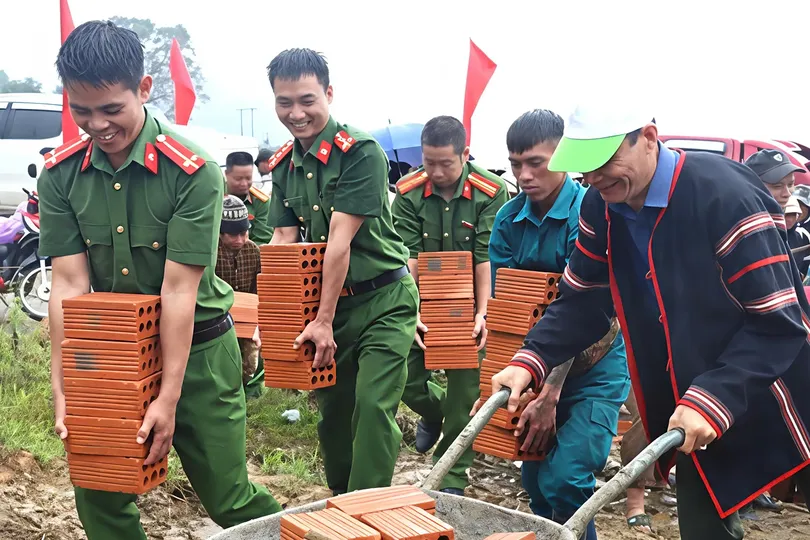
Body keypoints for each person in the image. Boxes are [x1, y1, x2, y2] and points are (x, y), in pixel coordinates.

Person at [486, 101, 810, 540]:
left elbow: (778, 322)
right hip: (692, 393)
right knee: (704, 516)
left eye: (606, 162)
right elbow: (582, 300)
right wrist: (532, 358)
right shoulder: (602, 208)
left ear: (649, 139)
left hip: (764, 378)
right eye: (586, 168)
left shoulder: (722, 197)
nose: (596, 178)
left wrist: (713, 396)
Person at [38, 21, 282, 540]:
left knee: (228, 498)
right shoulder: (60, 176)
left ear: (144, 89)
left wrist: (167, 398)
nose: (97, 126)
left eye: (111, 109)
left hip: (197, 353)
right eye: (81, 111)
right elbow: (68, 284)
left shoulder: (191, 172)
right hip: (108, 352)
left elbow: (178, 291)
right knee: (100, 491)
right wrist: (65, 383)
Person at [264, 48, 418, 494]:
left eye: (307, 100)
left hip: (384, 301)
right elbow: (283, 243)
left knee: (371, 407)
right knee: (333, 414)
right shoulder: (283, 165)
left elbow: (338, 243)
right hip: (328, 309)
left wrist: (323, 319)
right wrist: (278, 320)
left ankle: (367, 510)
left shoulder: (360, 152)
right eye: (284, 102)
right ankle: (341, 503)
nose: (296, 113)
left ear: (329, 94)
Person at [484, 109, 629, 539]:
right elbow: (510, 311)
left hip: (594, 369)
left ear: (563, 157)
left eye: (536, 162)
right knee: (536, 485)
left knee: (566, 481)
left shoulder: (591, 212)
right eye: (515, 164)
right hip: (536, 368)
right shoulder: (508, 221)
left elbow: (580, 313)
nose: (525, 175)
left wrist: (548, 396)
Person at [391, 115, 508, 495]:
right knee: (405, 376)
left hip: (470, 300)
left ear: (465, 154)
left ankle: (453, 474)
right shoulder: (408, 192)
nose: (437, 172)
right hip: (422, 295)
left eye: (446, 163)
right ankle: (430, 411)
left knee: (465, 391)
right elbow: (406, 257)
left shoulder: (490, 191)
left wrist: (482, 313)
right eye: (429, 163)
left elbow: (484, 254)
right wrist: (412, 311)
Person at [215, 195, 264, 397]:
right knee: (223, 360)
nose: (239, 240)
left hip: (249, 316)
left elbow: (260, 285)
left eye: (243, 234)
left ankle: (251, 392)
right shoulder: (210, 252)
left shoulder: (253, 250)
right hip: (218, 316)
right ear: (219, 232)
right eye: (232, 235)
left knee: (252, 360)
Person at [225, 151, 274, 245]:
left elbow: (263, 240)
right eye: (238, 179)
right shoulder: (214, 197)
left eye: (248, 178)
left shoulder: (261, 202)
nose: (244, 184)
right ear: (226, 174)